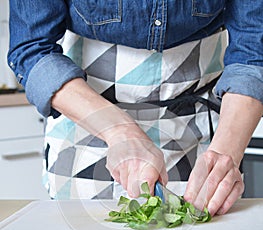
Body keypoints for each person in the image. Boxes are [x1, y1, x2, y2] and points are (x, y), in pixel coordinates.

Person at [8, 1, 263, 216]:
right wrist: (121, 131)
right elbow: (32, 50)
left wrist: (225, 153)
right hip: (86, 124)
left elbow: (252, 54)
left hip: (200, 134)